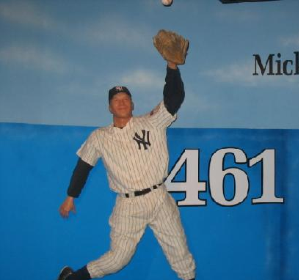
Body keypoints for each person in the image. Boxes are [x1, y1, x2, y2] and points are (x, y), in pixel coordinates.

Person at [57, 60, 196, 280]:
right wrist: (71, 196)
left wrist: (172, 67)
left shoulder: (151, 122)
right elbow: (83, 167)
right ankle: (72, 279)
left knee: (180, 252)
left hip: (159, 197)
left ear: (132, 104)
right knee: (118, 259)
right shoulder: (100, 136)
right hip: (128, 203)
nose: (121, 103)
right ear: (109, 107)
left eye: (125, 99)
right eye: (116, 100)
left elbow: (174, 98)